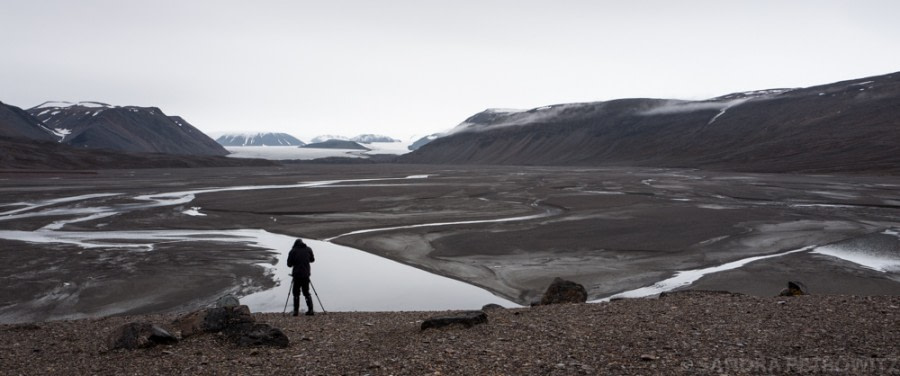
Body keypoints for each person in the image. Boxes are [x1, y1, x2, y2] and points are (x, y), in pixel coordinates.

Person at [286, 239, 316, 316]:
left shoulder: (293, 251)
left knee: (296, 293)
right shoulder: (308, 249)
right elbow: (312, 260)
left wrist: (295, 262)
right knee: (306, 292)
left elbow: (289, 264)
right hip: (306, 274)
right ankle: (311, 310)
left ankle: (296, 311)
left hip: (296, 275)